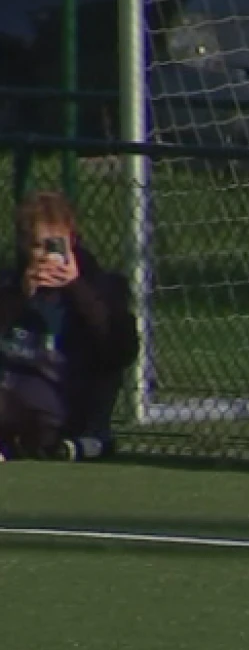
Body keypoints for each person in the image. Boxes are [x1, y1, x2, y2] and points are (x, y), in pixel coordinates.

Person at [0, 191, 137, 461]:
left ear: (71, 241)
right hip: (14, 398)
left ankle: (61, 443)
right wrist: (19, 298)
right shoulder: (10, 286)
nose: (46, 257)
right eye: (38, 246)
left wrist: (76, 287)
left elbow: (121, 349)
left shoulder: (101, 287)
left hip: (65, 404)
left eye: (55, 246)